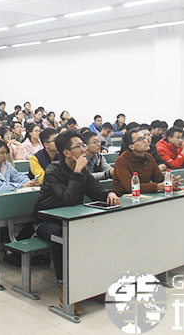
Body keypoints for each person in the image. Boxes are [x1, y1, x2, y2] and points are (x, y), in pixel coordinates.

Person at [35, 131, 119, 310]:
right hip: (47, 221)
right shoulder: (53, 171)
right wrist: (77, 171)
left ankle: (92, 284)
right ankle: (64, 286)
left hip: (72, 219)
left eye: (83, 145)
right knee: (63, 235)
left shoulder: (83, 169)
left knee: (95, 232)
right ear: (67, 152)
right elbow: (69, 199)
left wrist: (109, 194)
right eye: (79, 146)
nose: (83, 149)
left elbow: (95, 191)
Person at [112, 128, 183, 195]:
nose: (146, 141)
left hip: (144, 195)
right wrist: (158, 186)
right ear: (131, 147)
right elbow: (131, 187)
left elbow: (159, 178)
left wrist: (170, 181)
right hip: (124, 197)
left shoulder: (148, 157)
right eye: (140, 139)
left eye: (144, 138)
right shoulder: (121, 162)